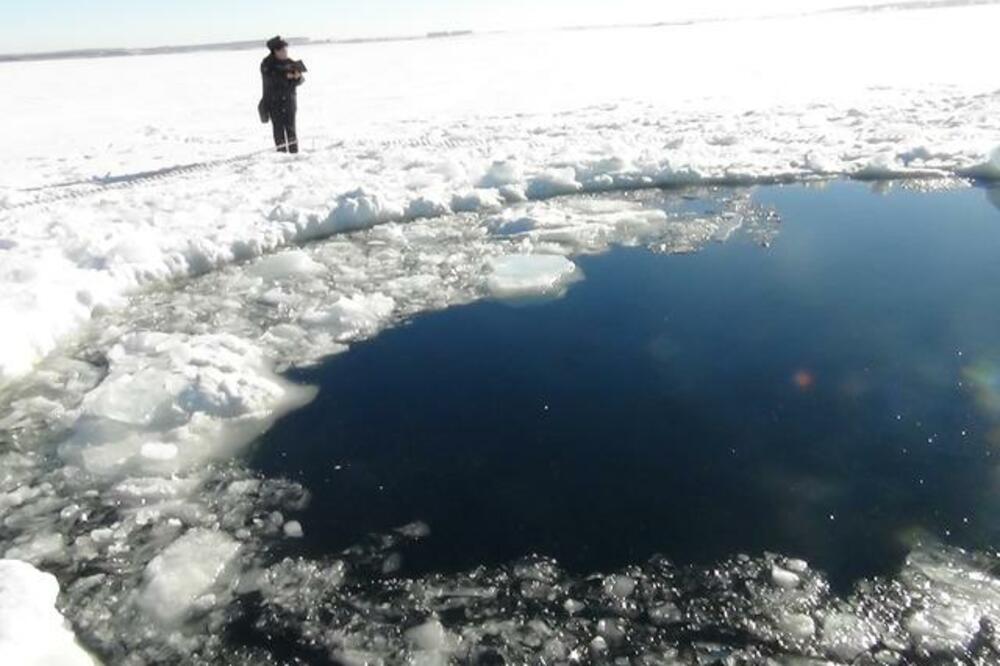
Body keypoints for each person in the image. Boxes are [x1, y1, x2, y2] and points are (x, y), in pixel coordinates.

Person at [260, 36, 306, 153]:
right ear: (276, 51)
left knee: (291, 129)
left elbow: (300, 80)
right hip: (274, 102)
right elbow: (270, 79)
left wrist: (298, 77)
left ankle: (294, 154)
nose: (286, 52)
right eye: (283, 50)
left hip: (289, 101)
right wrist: (287, 76)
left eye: (286, 49)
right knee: (278, 130)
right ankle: (281, 155)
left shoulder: (291, 62)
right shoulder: (267, 64)